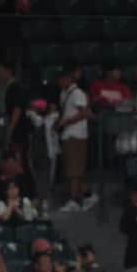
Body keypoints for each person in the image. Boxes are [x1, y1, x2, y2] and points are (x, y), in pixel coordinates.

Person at [56, 66, 95, 213]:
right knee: (73, 168)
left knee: (74, 170)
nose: (59, 82)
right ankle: (87, 195)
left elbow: (84, 113)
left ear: (68, 79)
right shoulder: (63, 94)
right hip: (67, 135)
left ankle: (74, 200)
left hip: (76, 135)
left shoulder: (77, 93)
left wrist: (66, 122)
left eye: (61, 79)